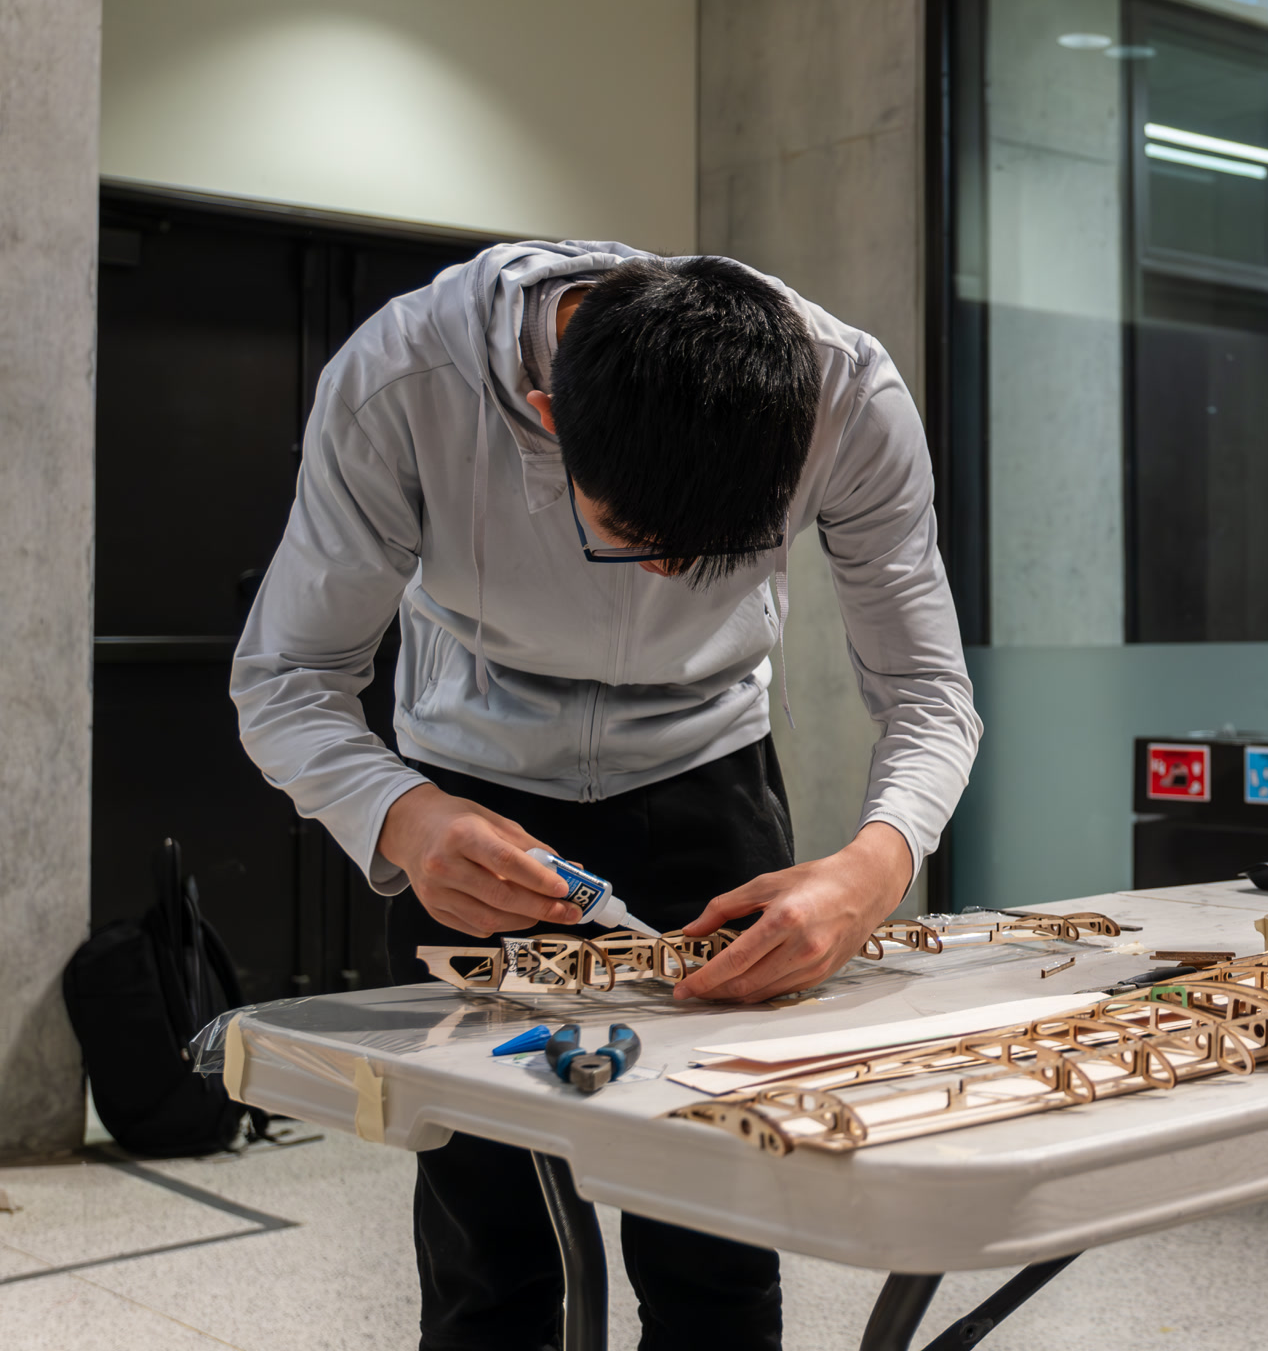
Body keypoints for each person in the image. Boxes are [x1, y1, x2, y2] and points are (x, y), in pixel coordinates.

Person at [232, 242, 980, 1350]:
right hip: (467, 783)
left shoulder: (850, 399)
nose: (672, 577)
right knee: (490, 1231)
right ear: (544, 417)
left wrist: (870, 870)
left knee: (720, 1220)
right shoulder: (404, 379)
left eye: (716, 552)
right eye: (632, 539)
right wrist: (401, 814)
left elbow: (927, 689)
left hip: (707, 772)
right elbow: (286, 680)